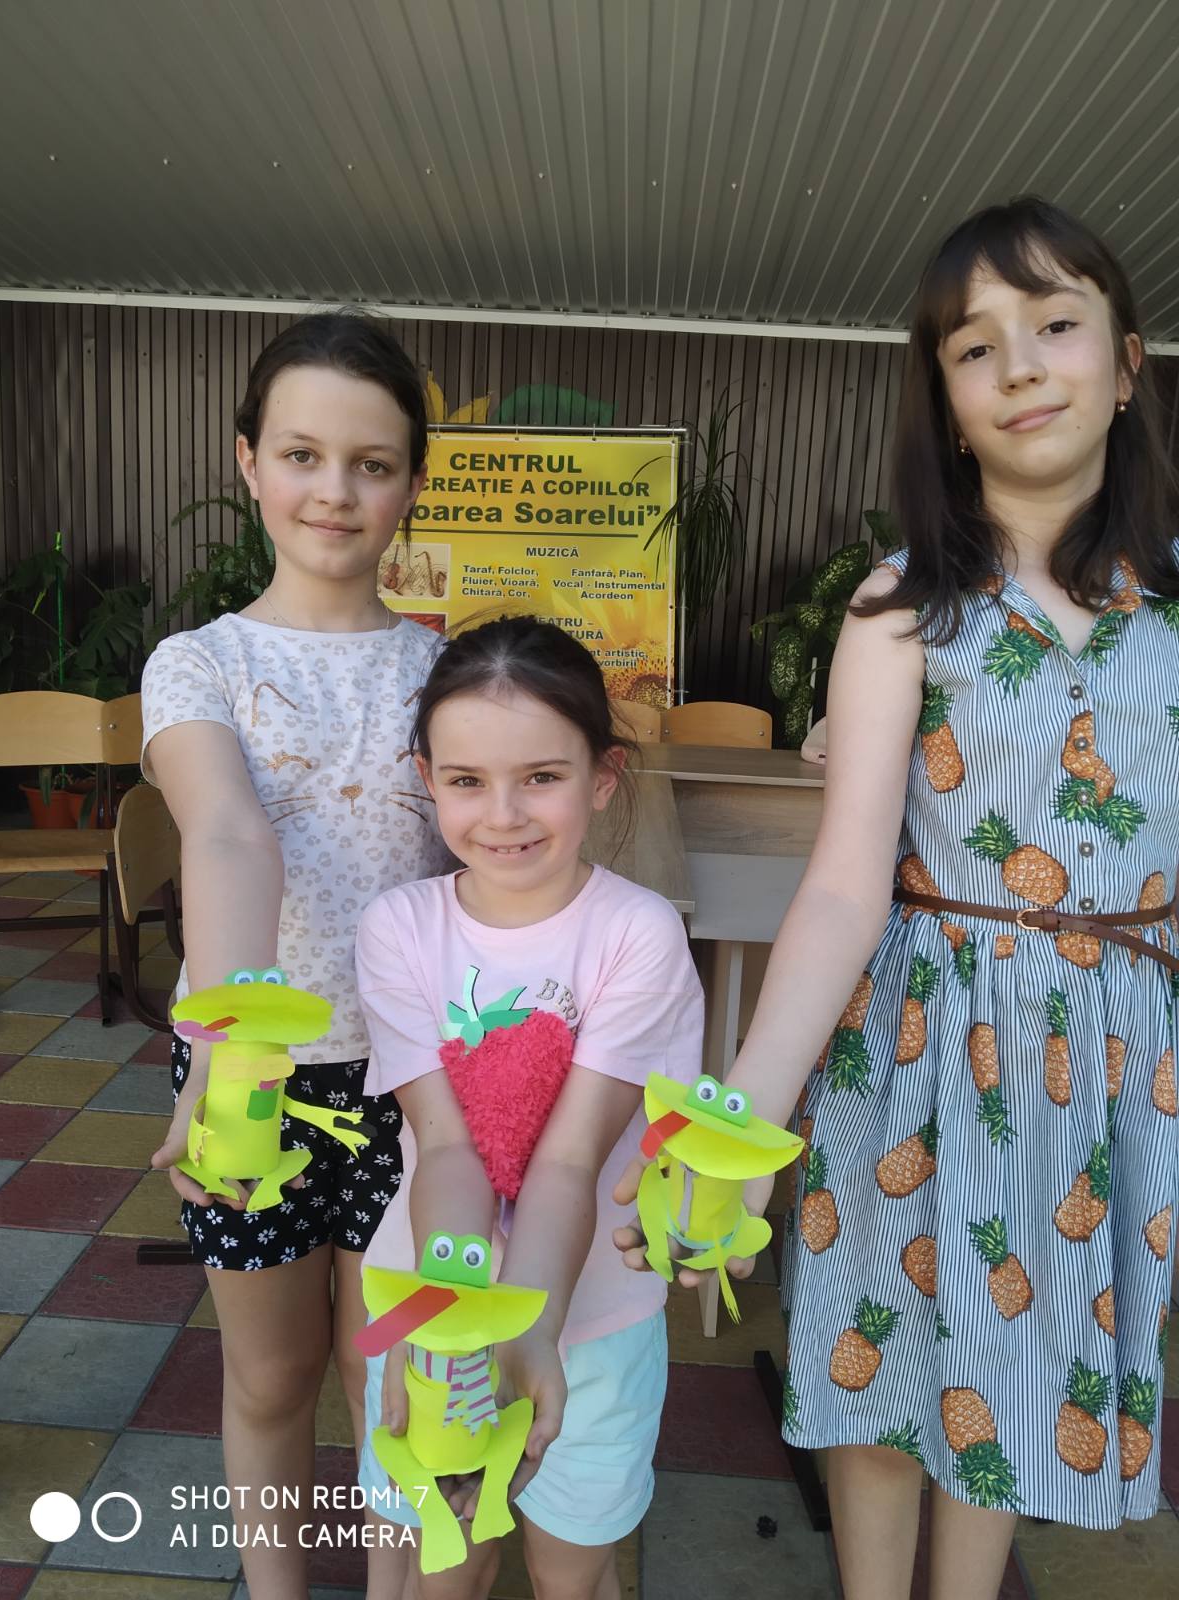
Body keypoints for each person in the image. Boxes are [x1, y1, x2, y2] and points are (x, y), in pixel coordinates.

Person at [617, 197, 1179, 1598]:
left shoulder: (1172, 616)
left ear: (1126, 367)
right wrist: (738, 1124)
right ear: (946, 401)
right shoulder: (899, 610)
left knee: (1015, 1363)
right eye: (976, 347)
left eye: (1056, 326)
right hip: (919, 1038)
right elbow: (840, 889)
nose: (1021, 366)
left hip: (1110, 1058)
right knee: (880, 1348)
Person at [142, 312, 450, 1600]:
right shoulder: (198, 663)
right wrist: (231, 1057)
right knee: (270, 1377)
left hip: (414, 1086)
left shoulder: (446, 672)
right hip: (250, 1079)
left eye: (372, 464)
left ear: (411, 484)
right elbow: (226, 832)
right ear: (249, 462)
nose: (335, 491)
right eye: (304, 455)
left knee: (396, 1384)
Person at [354, 616, 704, 1600]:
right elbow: (446, 1148)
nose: (503, 815)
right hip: (436, 1310)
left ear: (602, 776)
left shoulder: (637, 933)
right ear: (427, 778)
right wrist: (455, 1322)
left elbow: (568, 1158)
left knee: (570, 1572)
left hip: (593, 1322)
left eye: (542, 776)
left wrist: (531, 1328)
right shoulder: (398, 929)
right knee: (446, 1565)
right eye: (467, 780)